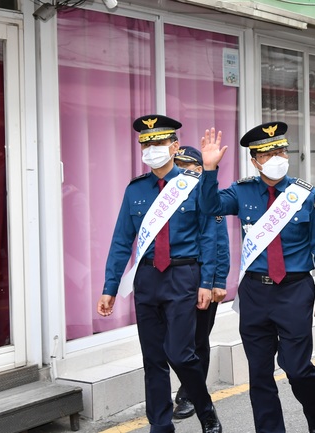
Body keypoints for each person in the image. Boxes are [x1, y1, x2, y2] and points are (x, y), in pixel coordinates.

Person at [199, 122, 315, 433]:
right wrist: (209, 170)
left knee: (297, 369)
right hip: (255, 293)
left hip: (295, 291)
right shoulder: (241, 192)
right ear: (255, 160)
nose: (277, 157)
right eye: (268, 153)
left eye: (281, 150)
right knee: (259, 374)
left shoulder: (308, 196)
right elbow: (209, 206)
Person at [97, 115, 222, 433]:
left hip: (183, 276)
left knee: (181, 353)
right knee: (153, 360)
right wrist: (110, 286)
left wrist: (207, 281)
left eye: (159, 142)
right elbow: (122, 239)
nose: (152, 148)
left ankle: (205, 410)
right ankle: (160, 424)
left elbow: (209, 236)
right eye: (147, 143)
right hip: (147, 279)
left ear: (174, 146)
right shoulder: (135, 190)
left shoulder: (193, 186)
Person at [171, 146, 230, 419]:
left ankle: (191, 394)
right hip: (179, 280)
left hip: (205, 281)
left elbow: (219, 243)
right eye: (178, 165)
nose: (184, 171)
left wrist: (218, 280)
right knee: (177, 341)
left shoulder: (208, 198)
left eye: (189, 166)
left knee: (198, 339)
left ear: (199, 169)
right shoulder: (170, 198)